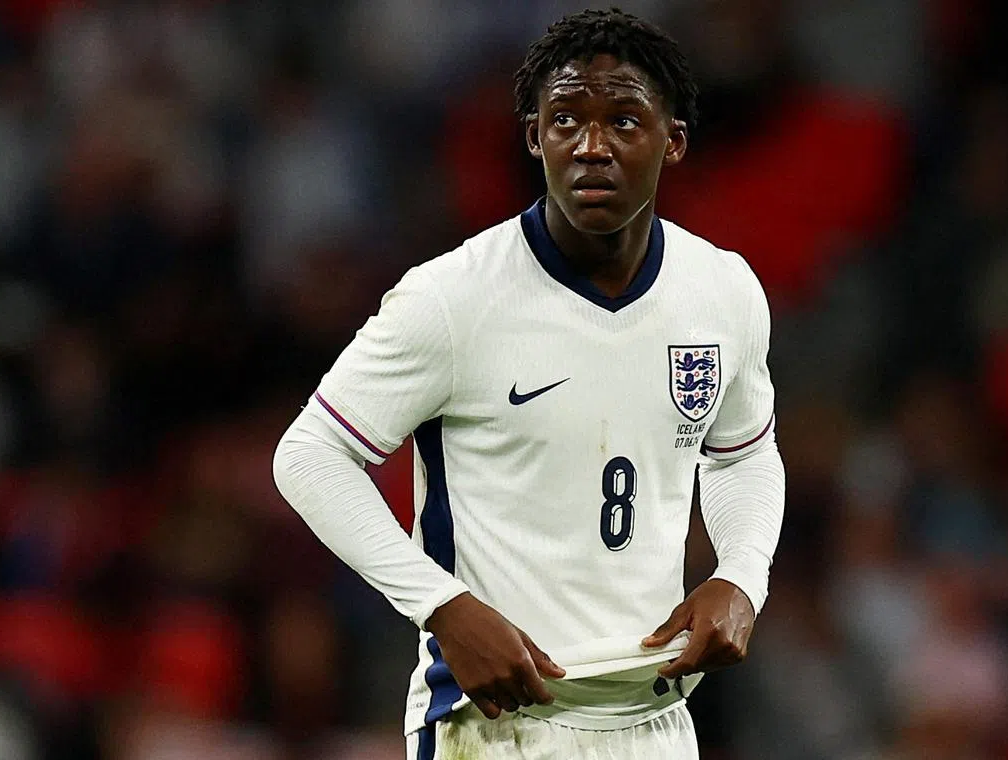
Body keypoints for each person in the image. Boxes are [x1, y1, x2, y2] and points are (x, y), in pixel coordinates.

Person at [273, 9, 785, 759]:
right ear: (532, 137)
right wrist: (442, 606)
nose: (591, 146)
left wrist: (741, 577)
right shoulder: (451, 299)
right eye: (566, 119)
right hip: (496, 726)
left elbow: (743, 454)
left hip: (656, 724)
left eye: (624, 120)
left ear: (673, 141)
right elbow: (309, 454)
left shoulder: (724, 291)